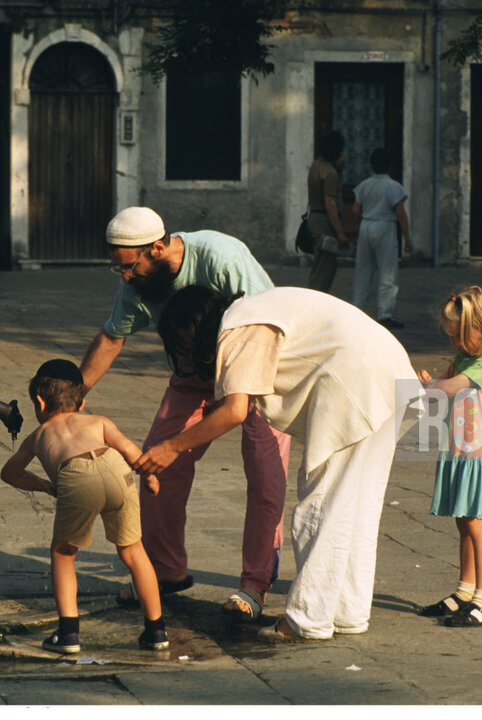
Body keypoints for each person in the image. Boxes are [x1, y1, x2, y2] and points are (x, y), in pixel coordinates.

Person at [133, 286, 422, 641]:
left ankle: (307, 619)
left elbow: (235, 411)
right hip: (387, 370)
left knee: (322, 506)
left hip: (357, 381)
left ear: (194, 325)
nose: (188, 353)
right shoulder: (251, 312)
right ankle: (348, 613)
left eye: (183, 341)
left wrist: (173, 447)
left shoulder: (238, 327)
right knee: (356, 506)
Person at [80, 206, 291, 626]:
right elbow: (111, 336)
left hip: (258, 367)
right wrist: (75, 393)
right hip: (192, 372)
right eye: (117, 269)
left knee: (266, 476)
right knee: (156, 464)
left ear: (156, 248)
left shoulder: (221, 256)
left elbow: (268, 317)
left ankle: (255, 584)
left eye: (128, 267)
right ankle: (166, 569)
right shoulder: (138, 283)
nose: (125, 278)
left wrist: (236, 390)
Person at [0, 359, 169, 653]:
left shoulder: (38, 436)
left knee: (63, 553)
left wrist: (44, 485)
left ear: (39, 403)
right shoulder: (99, 421)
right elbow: (130, 450)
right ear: (82, 403)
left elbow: (9, 473)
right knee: (133, 551)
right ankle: (156, 632)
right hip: (117, 469)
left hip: (76, 476)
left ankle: (68, 634)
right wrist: (150, 478)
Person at [416, 286, 482, 628]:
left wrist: (433, 388)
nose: (454, 343)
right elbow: (442, 388)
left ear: (481, 326)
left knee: (477, 525)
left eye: (459, 335)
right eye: (451, 337)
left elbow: (454, 387)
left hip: (479, 455)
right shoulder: (464, 357)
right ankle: (464, 591)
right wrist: (428, 384)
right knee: (462, 521)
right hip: (458, 450)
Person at [351, 148, 412, 329]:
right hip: (385, 226)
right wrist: (407, 237)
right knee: (388, 271)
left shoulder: (364, 185)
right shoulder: (393, 186)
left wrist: (357, 229)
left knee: (362, 270)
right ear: (390, 166)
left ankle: (357, 309)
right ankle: (384, 313)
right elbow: (400, 212)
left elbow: (355, 209)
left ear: (372, 165)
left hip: (366, 224)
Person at [306, 131, 351, 293]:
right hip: (324, 222)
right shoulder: (329, 173)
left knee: (319, 266)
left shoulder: (316, 166)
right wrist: (340, 234)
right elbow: (330, 204)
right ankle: (316, 304)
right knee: (325, 269)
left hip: (315, 219)